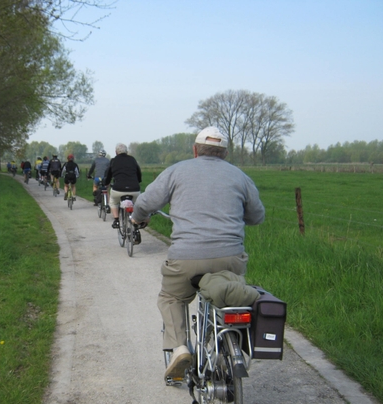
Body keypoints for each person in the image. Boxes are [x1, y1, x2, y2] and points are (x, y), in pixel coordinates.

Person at [130, 126, 265, 380]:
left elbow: (145, 203)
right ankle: (223, 347)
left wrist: (139, 219)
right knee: (226, 295)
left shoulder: (176, 171)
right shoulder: (240, 176)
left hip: (187, 258)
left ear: (195, 150)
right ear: (224, 153)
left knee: (171, 296)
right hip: (230, 258)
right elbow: (257, 216)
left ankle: (180, 347)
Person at [103, 143, 142, 229]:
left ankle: (116, 220)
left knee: (113, 201)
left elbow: (108, 174)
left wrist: (106, 183)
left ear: (116, 152)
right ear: (127, 152)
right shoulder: (132, 159)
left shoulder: (113, 160)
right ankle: (136, 223)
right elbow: (138, 173)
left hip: (118, 189)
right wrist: (138, 181)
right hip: (134, 189)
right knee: (137, 203)